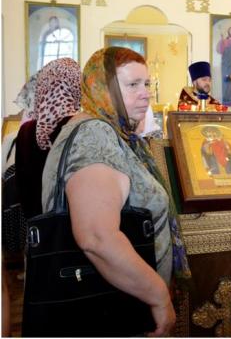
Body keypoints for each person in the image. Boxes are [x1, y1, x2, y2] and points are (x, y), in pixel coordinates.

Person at [41, 47, 191, 336]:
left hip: (122, 299)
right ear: (102, 88)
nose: (146, 93)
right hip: (108, 308)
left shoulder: (112, 132)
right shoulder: (93, 134)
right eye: (132, 85)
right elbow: (97, 237)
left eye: (147, 84)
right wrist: (159, 296)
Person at [15, 58, 81, 219]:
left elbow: (22, 186)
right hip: (73, 225)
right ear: (76, 87)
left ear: (42, 87)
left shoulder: (26, 130)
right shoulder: (82, 126)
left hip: (38, 225)